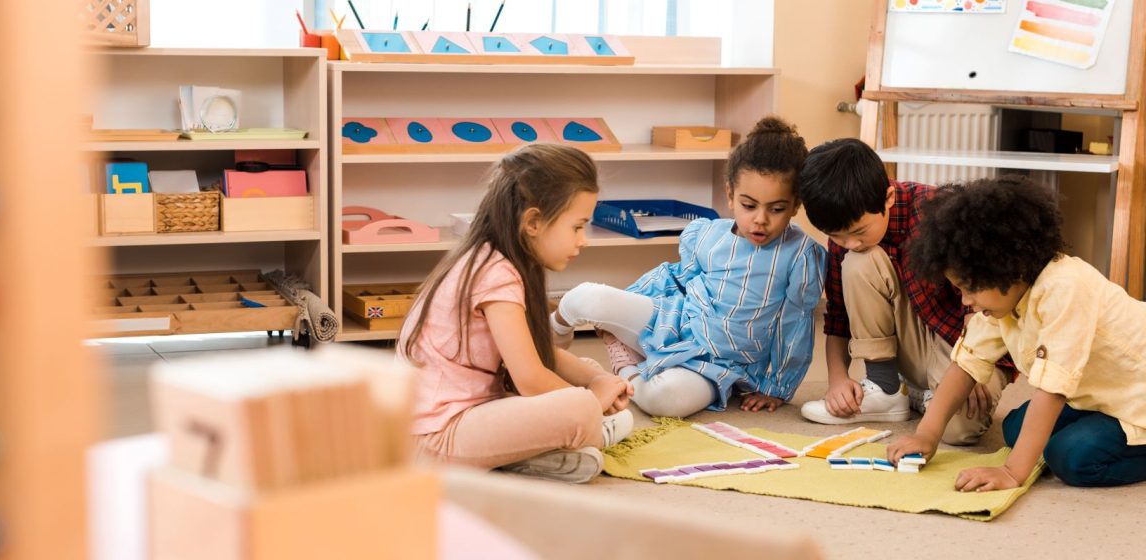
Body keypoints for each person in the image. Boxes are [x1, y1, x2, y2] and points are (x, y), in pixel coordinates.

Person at [553, 116, 825, 417]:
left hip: (720, 365)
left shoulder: (800, 254)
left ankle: (624, 369)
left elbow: (795, 326)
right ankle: (546, 344)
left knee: (664, 399)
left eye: (776, 209)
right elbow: (673, 278)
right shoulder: (708, 234)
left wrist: (777, 387)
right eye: (749, 206)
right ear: (730, 194)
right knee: (584, 297)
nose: (761, 219)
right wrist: (626, 303)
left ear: (795, 205)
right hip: (675, 322)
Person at [888, 176, 1146, 490]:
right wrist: (925, 436)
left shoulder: (1065, 288)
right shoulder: (1004, 297)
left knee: (1072, 457)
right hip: (1102, 397)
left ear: (1009, 270)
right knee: (1015, 428)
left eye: (970, 289)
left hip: (1137, 401)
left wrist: (1011, 472)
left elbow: (1052, 390)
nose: (965, 301)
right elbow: (966, 364)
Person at [400, 144, 634, 484]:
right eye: (577, 227)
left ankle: (531, 456)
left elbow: (537, 355)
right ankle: (589, 433)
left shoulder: (495, 260)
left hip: (465, 418)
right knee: (580, 408)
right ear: (534, 222)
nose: (584, 240)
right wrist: (593, 400)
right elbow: (529, 378)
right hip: (436, 439)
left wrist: (594, 381)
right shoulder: (495, 273)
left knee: (589, 372)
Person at [796, 139, 1009, 445]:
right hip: (913, 342)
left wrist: (973, 364)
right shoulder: (846, 240)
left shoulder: (939, 212)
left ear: (889, 197)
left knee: (959, 429)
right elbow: (838, 317)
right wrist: (837, 379)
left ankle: (921, 395)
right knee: (858, 262)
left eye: (858, 232)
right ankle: (886, 389)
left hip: (965, 339)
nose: (849, 244)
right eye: (836, 237)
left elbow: (983, 304)